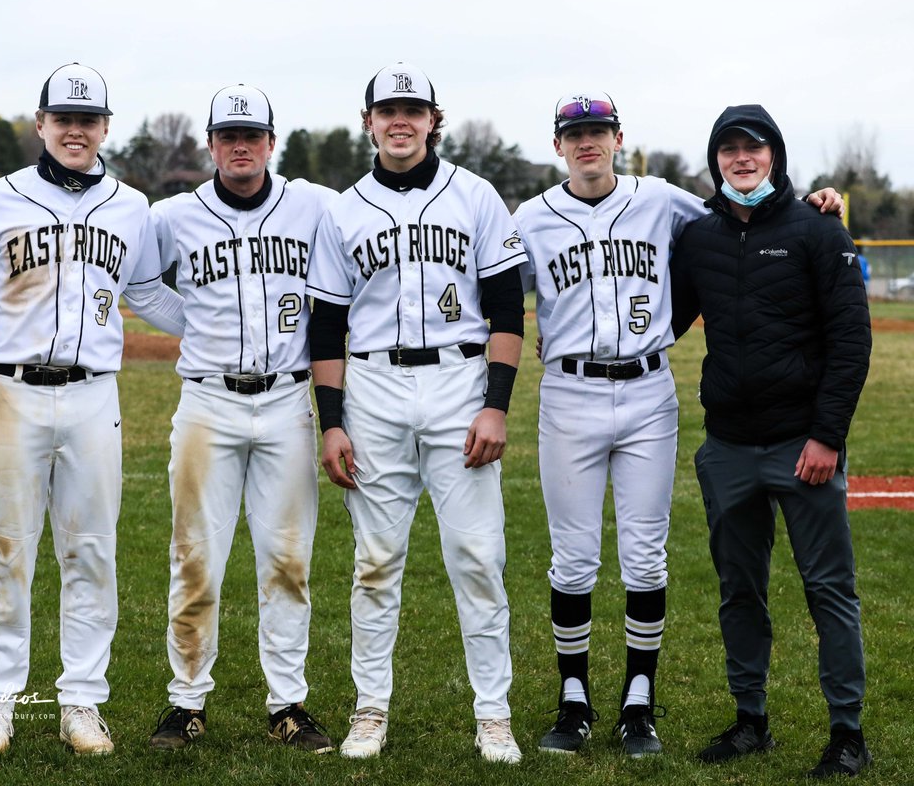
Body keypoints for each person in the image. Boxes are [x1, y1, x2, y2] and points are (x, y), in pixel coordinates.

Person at [513, 92, 844, 759]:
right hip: (569, 393)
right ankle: (573, 700)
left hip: (646, 391)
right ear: (557, 145)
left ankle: (640, 701)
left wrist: (809, 200)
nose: (587, 143)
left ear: (618, 138)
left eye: (598, 131)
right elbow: (489, 289)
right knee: (573, 559)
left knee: (644, 553)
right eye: (574, 133)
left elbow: (744, 212)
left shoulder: (660, 198)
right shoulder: (530, 219)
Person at [0, 63, 184, 757]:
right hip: (12, 392)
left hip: (93, 396)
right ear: (42, 124)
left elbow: (145, 291)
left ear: (105, 127)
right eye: (64, 119)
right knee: (3, 551)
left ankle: (82, 700)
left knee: (91, 551)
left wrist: (225, 329)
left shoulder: (131, 206)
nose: (75, 130)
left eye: (88, 120)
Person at [307, 62, 527, 764]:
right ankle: (370, 709)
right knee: (375, 562)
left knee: (477, 557)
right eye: (386, 110)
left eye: (413, 109)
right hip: (373, 390)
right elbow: (325, 326)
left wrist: (495, 408)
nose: (400, 121)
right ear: (367, 121)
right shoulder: (343, 210)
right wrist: (332, 421)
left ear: (434, 119)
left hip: (460, 384)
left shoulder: (477, 196)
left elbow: (507, 310)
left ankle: (493, 714)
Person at [672, 105, 872, 779]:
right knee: (739, 590)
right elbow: (661, 317)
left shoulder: (818, 229)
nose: (741, 158)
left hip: (801, 445)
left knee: (828, 590)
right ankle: (750, 719)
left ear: (775, 155)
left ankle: (847, 732)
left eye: (752, 147)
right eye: (728, 149)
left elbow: (851, 341)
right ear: (717, 161)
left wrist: (826, 437)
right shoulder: (698, 237)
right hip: (727, 446)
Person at [145, 84, 336, 753]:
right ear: (211, 144)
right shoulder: (175, 215)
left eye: (251, 135)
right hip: (207, 402)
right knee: (196, 556)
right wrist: (192, 324)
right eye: (228, 135)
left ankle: (287, 703)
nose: (240, 146)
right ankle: (185, 702)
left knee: (288, 559)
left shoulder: (312, 204)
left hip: (286, 400)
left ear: (271, 142)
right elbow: (142, 282)